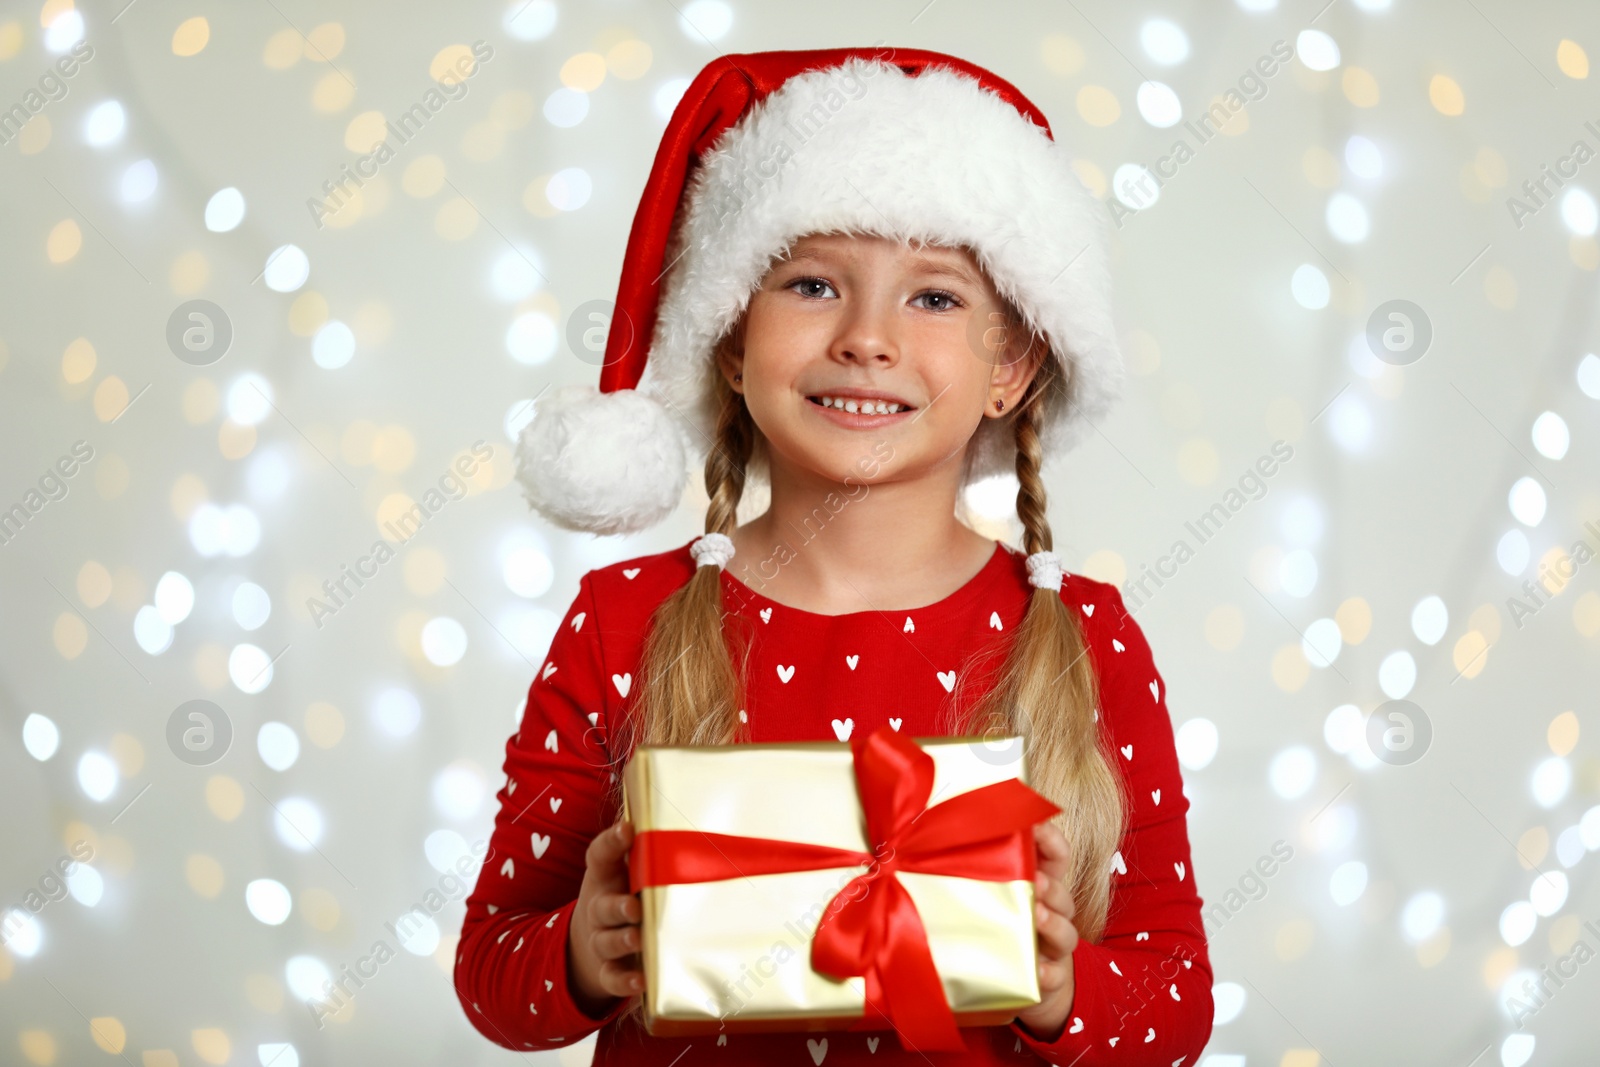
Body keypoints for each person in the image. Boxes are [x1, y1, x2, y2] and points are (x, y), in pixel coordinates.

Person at [454, 46, 1212, 1065]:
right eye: (812, 283)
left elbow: (1177, 1005)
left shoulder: (1084, 639)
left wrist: (1059, 982)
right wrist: (584, 953)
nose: (866, 337)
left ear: (1013, 364)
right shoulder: (620, 619)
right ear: (730, 336)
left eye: (934, 298)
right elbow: (493, 980)